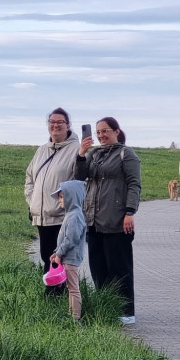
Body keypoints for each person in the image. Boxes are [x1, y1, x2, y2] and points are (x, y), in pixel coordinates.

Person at [76, 116, 141, 325]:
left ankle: (125, 311)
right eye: (98, 132)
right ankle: (105, 307)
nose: (101, 135)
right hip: (94, 220)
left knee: (119, 268)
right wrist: (81, 154)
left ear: (116, 131)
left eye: (105, 131)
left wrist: (129, 212)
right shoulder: (94, 155)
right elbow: (79, 177)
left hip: (117, 220)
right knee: (98, 267)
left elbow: (134, 184)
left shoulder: (126, 154)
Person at [24, 107, 80, 294]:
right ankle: (51, 292)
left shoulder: (76, 151)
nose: (55, 125)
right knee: (45, 255)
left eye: (60, 122)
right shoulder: (41, 150)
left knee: (59, 257)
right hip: (41, 214)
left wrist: (63, 204)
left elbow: (80, 181)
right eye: (52, 122)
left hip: (60, 215)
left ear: (68, 125)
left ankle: (59, 295)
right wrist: (32, 201)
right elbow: (30, 178)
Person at [48, 180, 87, 322]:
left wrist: (59, 254)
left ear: (72, 197)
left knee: (73, 288)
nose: (60, 200)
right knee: (71, 288)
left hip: (71, 258)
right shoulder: (71, 214)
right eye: (59, 197)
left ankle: (75, 318)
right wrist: (56, 252)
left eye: (62, 197)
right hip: (66, 256)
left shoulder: (75, 216)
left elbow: (71, 239)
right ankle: (71, 315)